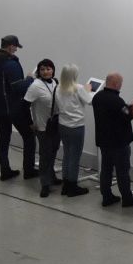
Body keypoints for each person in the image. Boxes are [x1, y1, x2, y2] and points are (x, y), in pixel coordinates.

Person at [0, 34, 32, 181]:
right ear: (10, 46)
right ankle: (29, 170)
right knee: (28, 136)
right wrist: (30, 79)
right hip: (13, 107)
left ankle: (5, 170)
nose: (16, 50)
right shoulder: (10, 64)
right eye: (15, 47)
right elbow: (18, 88)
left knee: (3, 138)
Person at [91, 72, 133, 208]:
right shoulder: (117, 101)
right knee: (122, 171)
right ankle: (127, 198)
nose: (121, 86)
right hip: (119, 142)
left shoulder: (97, 97)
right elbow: (127, 116)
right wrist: (132, 107)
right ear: (116, 84)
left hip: (104, 141)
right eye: (120, 83)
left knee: (106, 169)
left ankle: (106, 196)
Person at [53, 64, 91, 198]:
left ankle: (66, 184)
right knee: (75, 156)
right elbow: (90, 101)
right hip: (76, 126)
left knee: (67, 154)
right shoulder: (79, 88)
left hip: (63, 125)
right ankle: (72, 186)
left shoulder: (57, 88)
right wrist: (88, 90)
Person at [24, 59, 61, 196]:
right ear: (39, 71)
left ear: (53, 70)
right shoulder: (35, 86)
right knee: (45, 155)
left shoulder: (56, 82)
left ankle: (51, 176)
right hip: (43, 127)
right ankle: (45, 184)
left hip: (56, 124)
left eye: (48, 69)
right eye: (43, 69)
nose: (46, 72)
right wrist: (30, 122)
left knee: (53, 150)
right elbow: (24, 106)